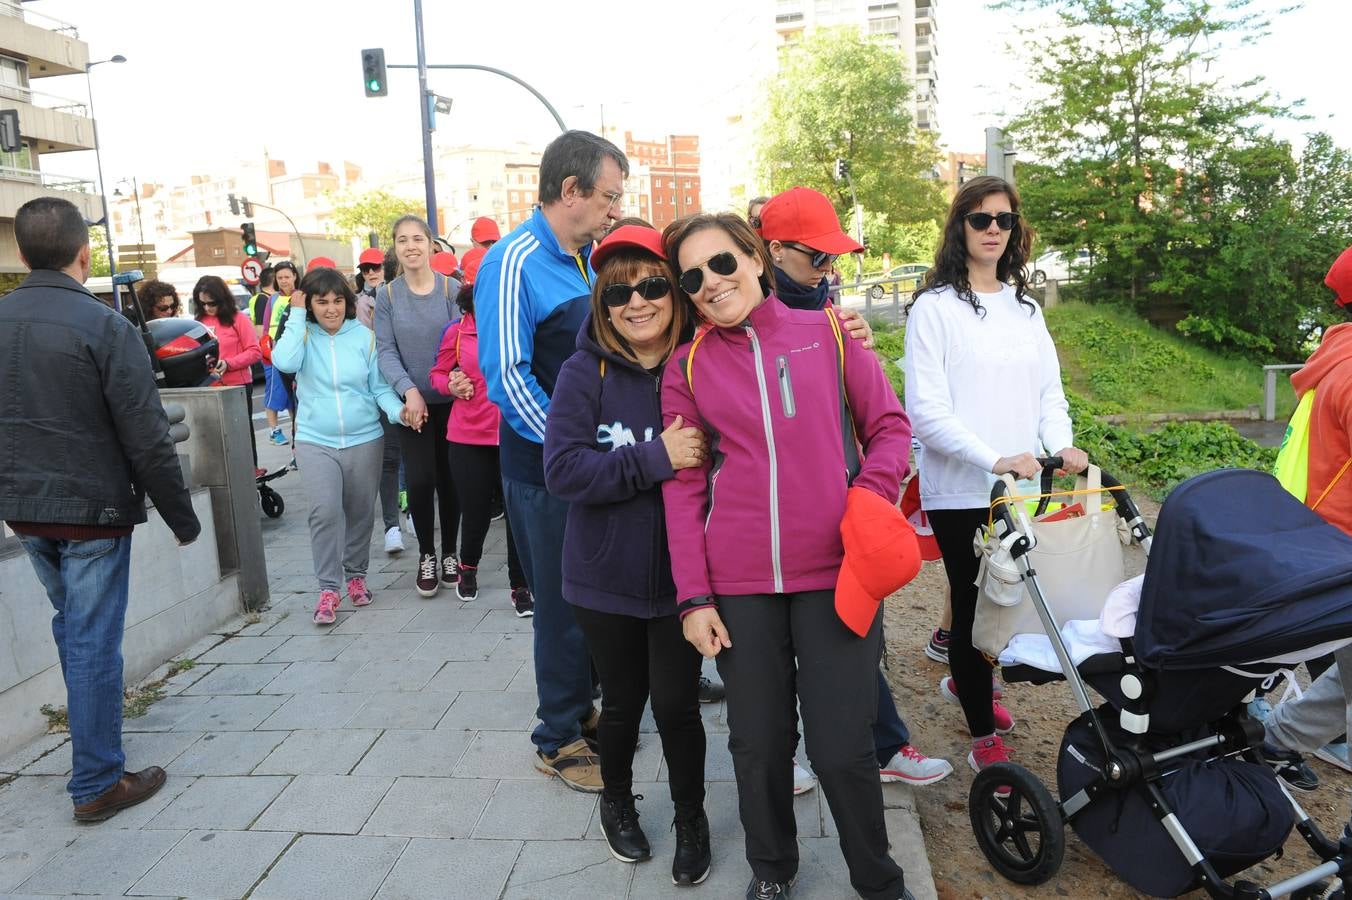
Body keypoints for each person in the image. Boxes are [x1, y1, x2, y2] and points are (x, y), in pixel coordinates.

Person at [662, 212, 915, 900]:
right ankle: (772, 871)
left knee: (841, 748)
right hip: (739, 581)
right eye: (692, 277)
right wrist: (693, 598)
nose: (711, 284)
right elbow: (684, 492)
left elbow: (890, 428)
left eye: (721, 264)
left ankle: (879, 880)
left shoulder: (831, 331)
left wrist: (868, 494)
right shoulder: (687, 365)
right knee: (759, 745)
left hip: (837, 573)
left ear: (754, 257)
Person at [0, 197, 200, 821]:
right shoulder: (105, 325)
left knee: (74, 627)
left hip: (26, 509)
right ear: (84, 252)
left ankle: (94, 751)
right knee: (90, 640)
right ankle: (96, 782)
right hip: (90, 513)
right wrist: (183, 518)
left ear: (24, 253)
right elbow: (147, 434)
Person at [758, 186, 952, 789]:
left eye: (833, 258)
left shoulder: (840, 322)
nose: (829, 269)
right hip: (760, 520)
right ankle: (781, 749)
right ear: (773, 251)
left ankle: (885, 743)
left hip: (837, 507)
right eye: (817, 257)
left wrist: (872, 489)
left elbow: (887, 421)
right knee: (773, 643)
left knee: (855, 625)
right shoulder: (729, 320)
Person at [902, 175, 1088, 778]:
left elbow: (1049, 395)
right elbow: (927, 413)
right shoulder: (934, 309)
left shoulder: (1026, 309)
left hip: (1025, 485)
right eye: (979, 219)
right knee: (977, 600)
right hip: (962, 488)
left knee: (1014, 598)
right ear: (960, 226)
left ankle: (969, 684)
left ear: (1015, 231)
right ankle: (982, 733)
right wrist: (994, 457)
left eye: (1003, 220)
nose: (991, 230)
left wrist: (1061, 444)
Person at [543, 225, 712, 882]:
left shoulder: (703, 359)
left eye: (651, 285)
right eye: (619, 291)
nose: (637, 302)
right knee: (621, 704)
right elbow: (563, 472)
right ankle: (617, 802)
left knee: (677, 706)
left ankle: (691, 816)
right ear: (602, 303)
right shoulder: (585, 372)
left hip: (683, 580)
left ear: (675, 290)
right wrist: (654, 458)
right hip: (602, 579)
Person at [478, 129, 627, 791]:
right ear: (570, 191)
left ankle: (583, 706)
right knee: (564, 605)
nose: (613, 210)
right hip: (547, 470)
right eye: (607, 197)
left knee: (595, 597)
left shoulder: (590, 258)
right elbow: (508, 378)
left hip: (594, 464)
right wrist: (575, 452)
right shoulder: (512, 261)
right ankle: (557, 736)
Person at [1258, 245, 1352, 785]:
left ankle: (1274, 739)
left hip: (1312, 539)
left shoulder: (1335, 357)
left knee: (1346, 678)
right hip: (1338, 552)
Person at [270, 266, 411, 625]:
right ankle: (328, 589)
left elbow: (379, 388)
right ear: (309, 304)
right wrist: (296, 315)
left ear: (346, 303)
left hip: (365, 438)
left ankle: (356, 576)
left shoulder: (363, 337)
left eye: (337, 301)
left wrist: (400, 412)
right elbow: (283, 362)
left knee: (361, 512)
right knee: (324, 512)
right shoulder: (301, 334)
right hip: (315, 440)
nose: (330, 308)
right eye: (321, 302)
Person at [429, 247, 531, 611]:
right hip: (468, 436)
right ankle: (467, 567)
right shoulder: (456, 332)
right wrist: (450, 385)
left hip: (515, 433)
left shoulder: (519, 323)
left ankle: (521, 586)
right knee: (474, 511)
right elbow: (437, 375)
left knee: (517, 514)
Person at [375, 215, 463, 596]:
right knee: (421, 480)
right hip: (412, 408)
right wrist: (408, 390)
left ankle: (449, 554)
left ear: (431, 245)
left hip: (453, 403)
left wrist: (455, 378)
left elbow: (463, 343)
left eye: (417, 239)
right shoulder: (387, 296)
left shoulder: (451, 290)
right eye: (402, 241)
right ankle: (427, 552)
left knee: (451, 480)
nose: (411, 246)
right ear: (395, 248)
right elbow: (385, 350)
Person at [351, 247, 404, 555]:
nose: (371, 271)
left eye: (376, 267)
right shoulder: (357, 302)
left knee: (400, 458)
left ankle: (401, 519)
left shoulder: (396, 295)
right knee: (382, 459)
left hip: (396, 383)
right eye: (366, 268)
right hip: (369, 386)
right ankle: (389, 525)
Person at [191, 275, 263, 471]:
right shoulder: (199, 322)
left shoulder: (238, 319)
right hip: (209, 386)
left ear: (222, 299)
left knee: (241, 432)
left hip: (237, 385)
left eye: (211, 303)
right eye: (202, 303)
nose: (207, 308)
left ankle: (250, 470)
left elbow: (255, 351)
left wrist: (229, 363)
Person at [263, 261, 301, 448]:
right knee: (273, 393)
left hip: (293, 353)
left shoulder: (301, 296)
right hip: (272, 355)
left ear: (294, 276)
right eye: (280, 278)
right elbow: (265, 327)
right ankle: (274, 430)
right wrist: (266, 350)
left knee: (294, 397)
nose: (284, 281)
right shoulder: (272, 299)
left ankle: (298, 437)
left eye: (287, 277)